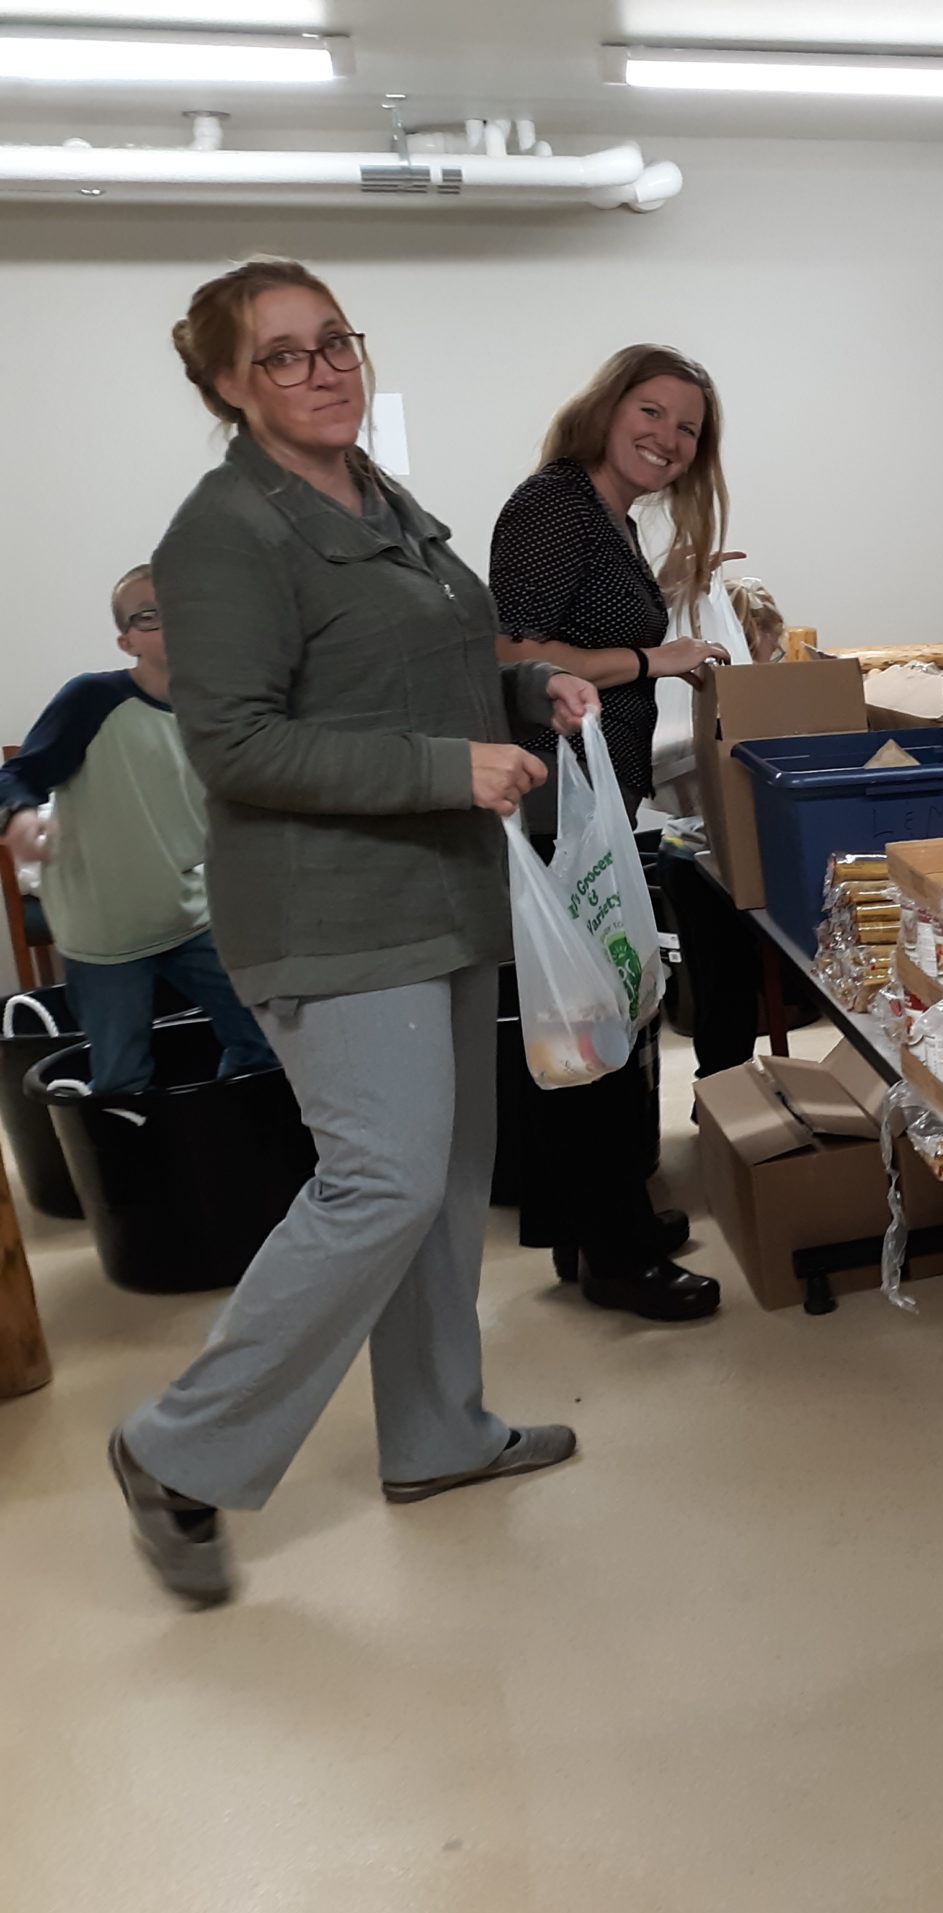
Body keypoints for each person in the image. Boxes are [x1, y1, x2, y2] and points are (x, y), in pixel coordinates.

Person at [109, 257, 601, 1607]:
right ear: (227, 383)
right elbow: (236, 743)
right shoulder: (225, 531)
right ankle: (176, 1449)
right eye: (283, 353)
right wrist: (448, 767)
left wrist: (524, 690)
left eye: (335, 341)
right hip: (329, 911)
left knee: (443, 1184)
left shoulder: (378, 500)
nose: (324, 370)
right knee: (380, 1181)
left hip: (439, 889)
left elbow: (413, 672)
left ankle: (438, 1432)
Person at [488, 345, 735, 1322]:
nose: (669, 438)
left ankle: (591, 1226)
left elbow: (573, 624)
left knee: (588, 1018)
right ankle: (617, 1257)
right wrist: (653, 657)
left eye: (688, 429)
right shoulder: (556, 503)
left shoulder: (605, 516)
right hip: (558, 797)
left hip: (589, 794)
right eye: (652, 411)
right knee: (588, 1023)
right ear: (608, 406)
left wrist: (661, 596)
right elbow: (510, 648)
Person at [0, 564, 277, 1094]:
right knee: (120, 1077)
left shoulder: (226, 712)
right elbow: (16, 776)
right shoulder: (91, 700)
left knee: (262, 1041)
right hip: (103, 933)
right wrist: (19, 815)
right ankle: (127, 1143)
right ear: (126, 641)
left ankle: (226, 1134)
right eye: (150, 616)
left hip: (190, 917)